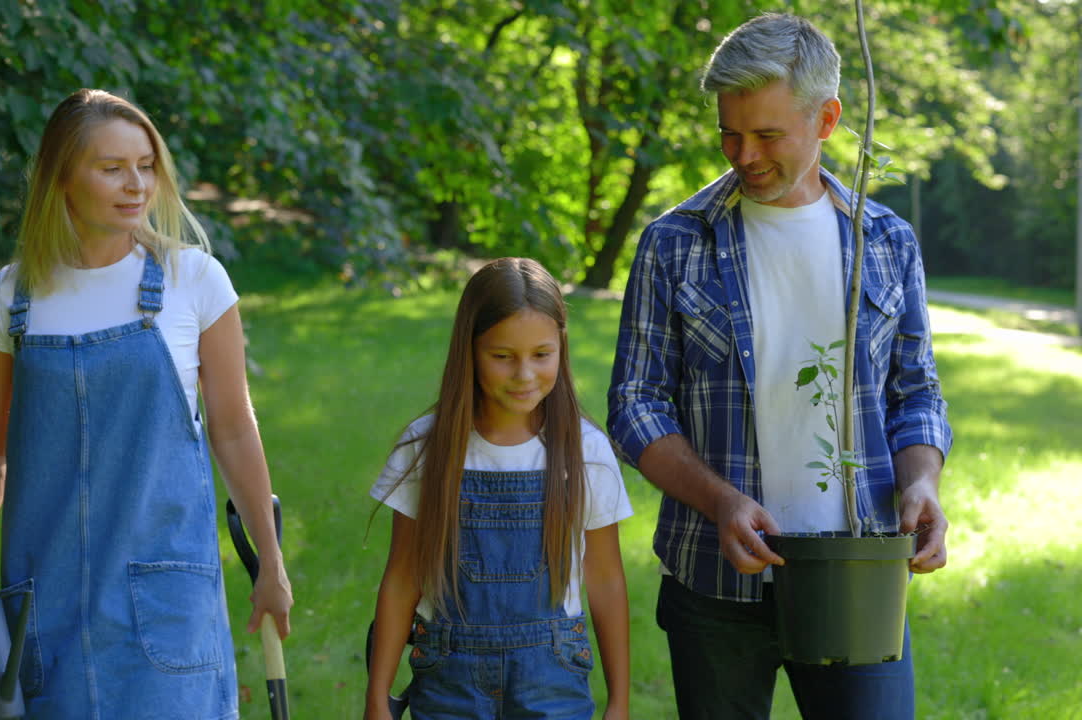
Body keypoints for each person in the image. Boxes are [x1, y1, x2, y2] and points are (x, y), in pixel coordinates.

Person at [607, 13, 952, 720]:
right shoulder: (673, 244)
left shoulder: (886, 242)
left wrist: (922, 485)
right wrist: (721, 503)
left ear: (827, 119)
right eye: (730, 133)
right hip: (713, 584)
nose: (743, 154)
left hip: (858, 573)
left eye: (767, 135)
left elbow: (916, 394)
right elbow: (636, 405)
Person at [0, 88, 292, 719]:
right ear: (61, 178)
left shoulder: (195, 281)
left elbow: (233, 430)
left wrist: (270, 561)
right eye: (112, 168)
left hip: (166, 598)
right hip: (46, 595)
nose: (136, 185)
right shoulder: (8, 298)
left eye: (146, 166)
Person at [365, 258, 633, 720]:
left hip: (553, 680)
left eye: (541, 355)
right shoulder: (425, 449)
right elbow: (402, 576)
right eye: (503, 356)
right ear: (469, 350)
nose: (524, 374)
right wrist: (377, 699)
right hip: (448, 678)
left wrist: (620, 703)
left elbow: (606, 578)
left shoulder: (586, 451)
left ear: (562, 349)